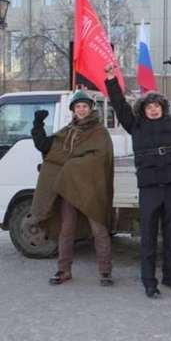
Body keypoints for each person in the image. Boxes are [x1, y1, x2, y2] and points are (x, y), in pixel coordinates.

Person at [104, 59, 171, 299]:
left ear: (163, 108)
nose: (153, 109)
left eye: (157, 106)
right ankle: (149, 282)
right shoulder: (135, 126)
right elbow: (120, 105)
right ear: (143, 110)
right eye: (149, 106)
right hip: (150, 188)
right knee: (149, 238)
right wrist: (111, 79)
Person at [30, 89, 114, 286]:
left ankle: (105, 272)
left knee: (98, 230)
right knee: (66, 230)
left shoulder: (99, 132)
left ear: (90, 108)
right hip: (69, 190)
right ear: (73, 110)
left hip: (90, 190)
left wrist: (72, 166)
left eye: (85, 106)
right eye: (78, 107)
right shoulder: (68, 131)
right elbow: (46, 147)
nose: (82, 110)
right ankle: (63, 270)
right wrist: (37, 125)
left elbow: (101, 158)